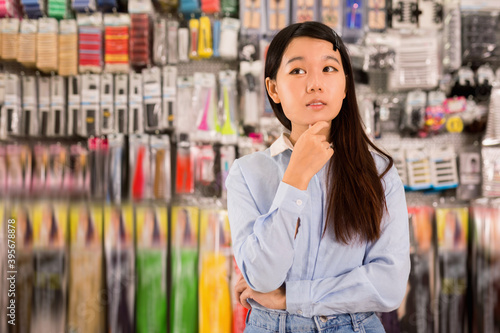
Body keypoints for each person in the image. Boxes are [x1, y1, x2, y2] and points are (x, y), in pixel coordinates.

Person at [226, 21, 410, 333]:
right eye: (297, 71)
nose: (315, 84)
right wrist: (295, 177)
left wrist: (291, 298)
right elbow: (263, 276)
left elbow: (388, 286)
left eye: (328, 68)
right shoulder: (247, 172)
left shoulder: (379, 173)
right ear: (273, 88)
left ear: (345, 85)